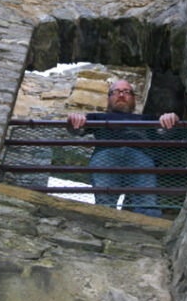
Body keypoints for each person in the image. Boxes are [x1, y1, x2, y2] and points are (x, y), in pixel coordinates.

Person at [67, 80, 179, 217]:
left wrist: (170, 119)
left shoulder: (147, 118)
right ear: (108, 98)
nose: (121, 95)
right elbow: (78, 130)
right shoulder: (97, 117)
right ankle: (103, 228)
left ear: (133, 98)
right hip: (107, 156)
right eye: (116, 92)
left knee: (146, 202)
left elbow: (164, 132)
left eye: (126, 92)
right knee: (105, 203)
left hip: (140, 157)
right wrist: (75, 120)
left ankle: (148, 231)